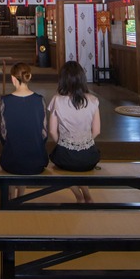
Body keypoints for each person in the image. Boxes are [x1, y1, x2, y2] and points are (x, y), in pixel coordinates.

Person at [47, 60, 101, 203]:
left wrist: (63, 142)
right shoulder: (93, 100)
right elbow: (97, 131)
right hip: (89, 156)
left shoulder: (57, 100)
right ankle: (86, 194)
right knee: (80, 166)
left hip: (65, 155)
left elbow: (52, 131)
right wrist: (84, 140)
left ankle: (79, 195)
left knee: (61, 167)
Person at [0, 62, 48, 193]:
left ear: (13, 79)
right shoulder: (40, 100)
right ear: (29, 77)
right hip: (36, 161)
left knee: (13, 151)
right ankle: (21, 195)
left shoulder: (5, 101)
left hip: (11, 161)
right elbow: (44, 134)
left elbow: (3, 135)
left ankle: (10, 198)